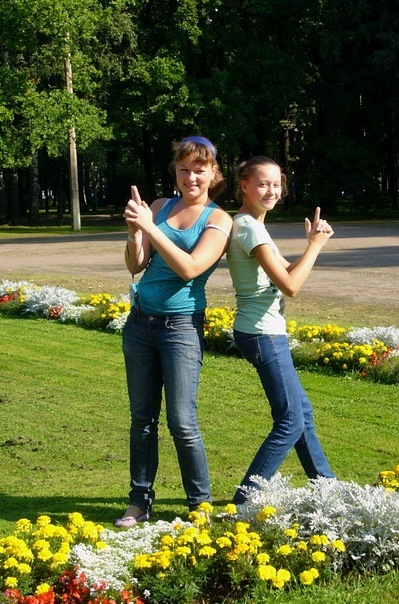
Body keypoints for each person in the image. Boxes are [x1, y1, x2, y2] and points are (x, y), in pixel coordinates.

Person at [115, 136, 233, 527]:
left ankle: (200, 506)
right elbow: (136, 265)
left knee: (182, 422)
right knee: (141, 419)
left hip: (180, 328)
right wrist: (135, 233)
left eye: (199, 170)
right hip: (140, 324)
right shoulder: (161, 207)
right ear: (176, 171)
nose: (191, 178)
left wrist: (151, 227)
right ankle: (139, 502)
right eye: (184, 170)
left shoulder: (219, 219)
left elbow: (190, 268)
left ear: (213, 173)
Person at [226, 155, 336, 505]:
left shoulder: (252, 225)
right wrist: (315, 247)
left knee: (301, 413)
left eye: (276, 184)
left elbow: (282, 273)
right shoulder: (248, 227)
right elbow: (290, 286)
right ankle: (244, 501)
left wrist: (310, 245)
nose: (271, 191)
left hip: (264, 331)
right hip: (262, 333)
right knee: (290, 421)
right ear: (244, 185)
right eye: (263, 184)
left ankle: (328, 487)